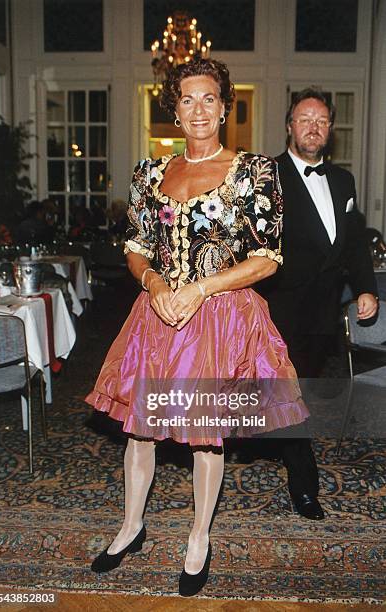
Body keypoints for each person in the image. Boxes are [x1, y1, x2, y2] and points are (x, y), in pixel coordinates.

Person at [85, 58, 309, 597]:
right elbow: (136, 249)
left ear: (226, 107)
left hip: (220, 320)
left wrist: (201, 288)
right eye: (188, 99)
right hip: (157, 316)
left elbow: (269, 258)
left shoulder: (255, 172)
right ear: (174, 111)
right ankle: (131, 525)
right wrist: (156, 286)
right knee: (140, 428)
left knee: (205, 437)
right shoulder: (149, 174)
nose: (199, 109)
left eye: (209, 98)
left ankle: (198, 536)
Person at [257, 87, 378, 520]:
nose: (314, 127)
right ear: (289, 125)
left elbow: (355, 243)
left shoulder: (343, 181)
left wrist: (366, 287)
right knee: (291, 394)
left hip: (323, 313)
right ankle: (304, 486)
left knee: (292, 394)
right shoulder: (265, 175)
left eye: (322, 121)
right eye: (305, 118)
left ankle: (266, 442)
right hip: (277, 309)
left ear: (330, 130)